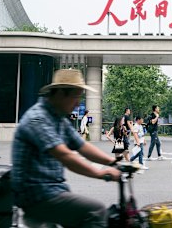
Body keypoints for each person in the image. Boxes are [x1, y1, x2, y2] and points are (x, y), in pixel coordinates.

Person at [11, 69, 120, 228]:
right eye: (76, 96)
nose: (78, 103)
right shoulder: (38, 119)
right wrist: (100, 173)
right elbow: (65, 155)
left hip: (53, 190)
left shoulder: (59, 118)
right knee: (96, 212)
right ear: (61, 93)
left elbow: (82, 146)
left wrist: (113, 161)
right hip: (37, 195)